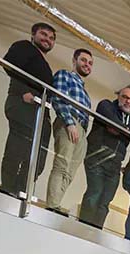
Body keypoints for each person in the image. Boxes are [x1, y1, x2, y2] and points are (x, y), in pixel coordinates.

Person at [0, 23, 55, 197]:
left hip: (39, 112)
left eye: (51, 38)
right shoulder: (24, 47)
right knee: (17, 150)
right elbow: (10, 65)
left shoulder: (44, 64)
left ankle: (19, 190)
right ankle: (8, 189)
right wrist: (24, 91)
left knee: (37, 160)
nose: (47, 39)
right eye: (43, 34)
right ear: (33, 35)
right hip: (24, 105)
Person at [78, 88, 130, 229]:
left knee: (105, 201)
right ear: (118, 97)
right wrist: (126, 132)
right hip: (96, 158)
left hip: (115, 164)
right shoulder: (106, 105)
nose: (128, 101)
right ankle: (82, 229)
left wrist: (119, 129)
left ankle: (95, 231)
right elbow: (110, 118)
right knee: (94, 193)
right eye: (125, 97)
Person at [45, 49, 93, 213]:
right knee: (62, 166)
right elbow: (58, 98)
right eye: (84, 60)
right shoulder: (64, 75)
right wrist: (69, 123)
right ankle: (52, 205)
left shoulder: (85, 91)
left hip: (82, 130)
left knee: (70, 172)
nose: (87, 65)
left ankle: (56, 203)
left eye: (90, 63)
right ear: (74, 61)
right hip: (69, 123)